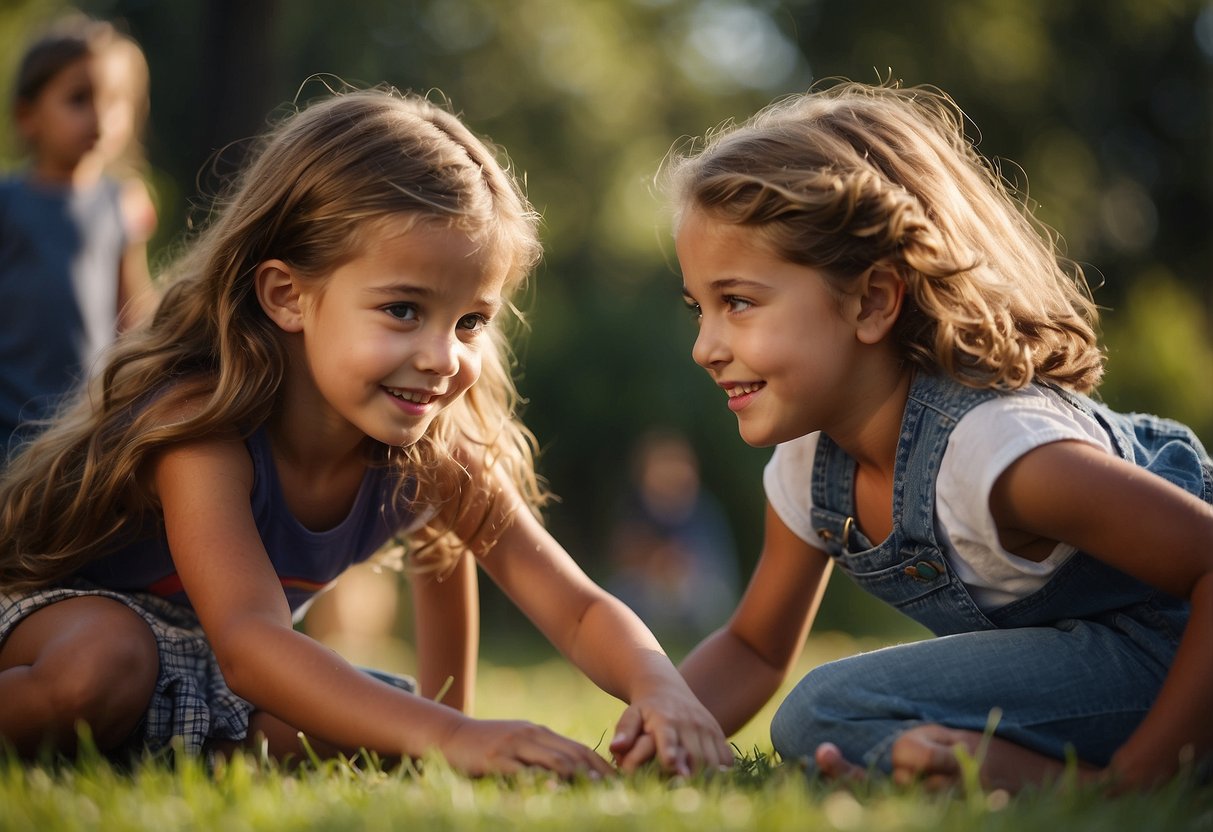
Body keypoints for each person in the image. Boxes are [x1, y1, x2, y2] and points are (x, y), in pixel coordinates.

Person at [0, 86, 732, 778]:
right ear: (289, 296)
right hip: (75, 628)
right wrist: (451, 735)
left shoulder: (432, 450)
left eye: (470, 321)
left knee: (382, 728)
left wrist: (654, 685)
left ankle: (167, 745)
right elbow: (253, 644)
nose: (443, 357)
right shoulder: (201, 423)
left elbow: (572, 607)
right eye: (403, 311)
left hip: (223, 677)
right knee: (105, 665)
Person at [611, 80, 1213, 792]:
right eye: (699, 309)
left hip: (1176, 660)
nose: (704, 346)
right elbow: (753, 645)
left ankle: (1105, 781)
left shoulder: (995, 449)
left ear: (870, 301)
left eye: (737, 302)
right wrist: (660, 721)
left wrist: (1142, 779)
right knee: (839, 726)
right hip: (1091, 664)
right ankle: (1004, 772)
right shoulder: (810, 461)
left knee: (827, 712)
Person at [1, 15, 156, 459]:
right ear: (27, 116)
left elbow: (132, 312)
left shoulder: (124, 202)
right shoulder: (8, 203)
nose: (101, 118)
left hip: (82, 427)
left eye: (114, 101)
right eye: (79, 99)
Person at [605, 430, 738, 643]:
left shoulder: (703, 510)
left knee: (710, 600)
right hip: (648, 591)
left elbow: (716, 566)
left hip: (694, 591)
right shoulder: (634, 508)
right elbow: (622, 557)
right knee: (619, 596)